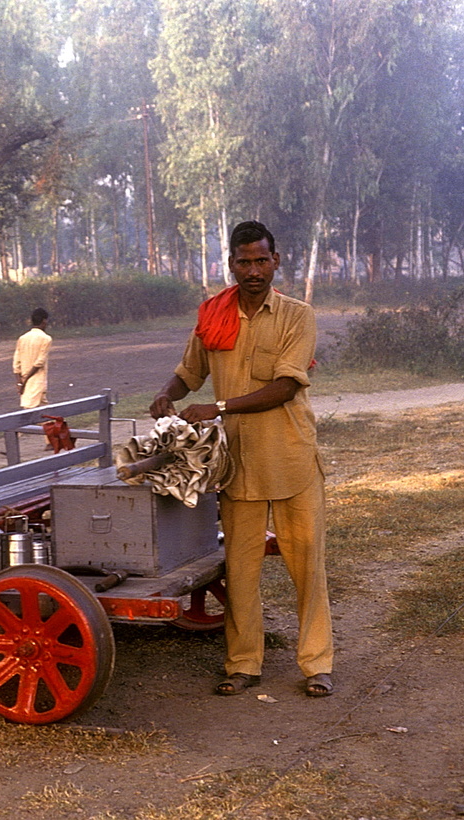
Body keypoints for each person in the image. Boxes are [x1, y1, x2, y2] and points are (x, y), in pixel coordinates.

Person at [148, 220, 334, 698]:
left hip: (290, 459)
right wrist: (165, 395)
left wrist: (220, 407)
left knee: (307, 567)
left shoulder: (298, 316)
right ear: (231, 264)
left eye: (261, 260)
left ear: (276, 261)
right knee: (241, 570)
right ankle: (243, 664)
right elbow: (188, 372)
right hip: (235, 466)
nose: (253, 270)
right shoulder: (214, 314)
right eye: (244, 261)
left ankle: (317, 665)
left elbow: (287, 386)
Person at [14, 308, 52, 408]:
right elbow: (40, 362)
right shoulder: (46, 338)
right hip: (36, 381)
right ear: (44, 321)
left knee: (37, 411)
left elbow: (16, 363)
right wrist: (25, 380)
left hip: (24, 383)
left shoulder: (23, 338)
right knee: (38, 413)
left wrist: (20, 382)